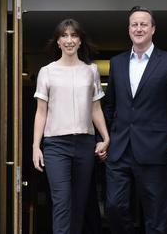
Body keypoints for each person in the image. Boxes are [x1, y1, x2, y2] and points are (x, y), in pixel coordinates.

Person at [103, 6, 167, 234]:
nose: (138, 28)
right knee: (114, 206)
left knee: (156, 216)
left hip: (156, 149)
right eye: (134, 24)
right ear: (129, 29)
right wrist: (105, 138)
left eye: (143, 24)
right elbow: (110, 105)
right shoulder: (117, 63)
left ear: (153, 29)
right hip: (120, 148)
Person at [32, 18, 110, 234]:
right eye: (64, 36)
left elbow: (95, 108)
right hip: (56, 145)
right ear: (57, 42)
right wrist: (36, 147)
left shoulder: (91, 71)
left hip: (85, 144)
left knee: (79, 204)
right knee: (62, 201)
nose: (69, 40)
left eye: (73, 35)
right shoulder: (47, 72)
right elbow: (41, 112)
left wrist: (106, 137)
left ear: (80, 40)